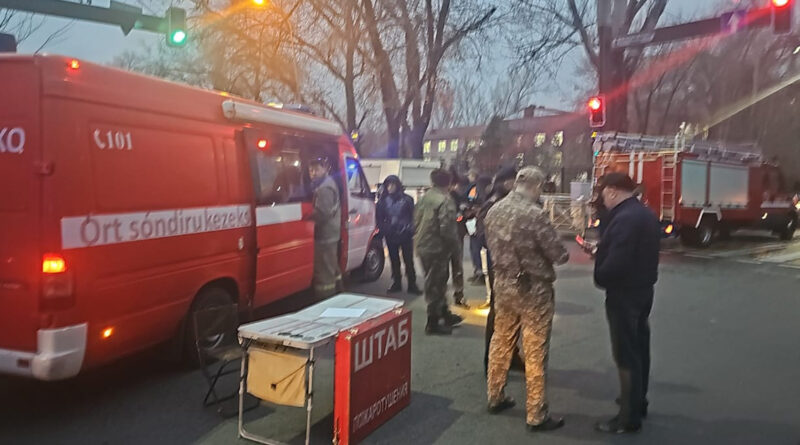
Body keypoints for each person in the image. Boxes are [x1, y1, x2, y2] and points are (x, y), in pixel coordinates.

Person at [484, 166, 569, 432]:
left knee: (501, 339)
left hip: (503, 284)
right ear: (536, 186)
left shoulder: (494, 210)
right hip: (533, 289)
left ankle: (495, 396)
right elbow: (559, 254)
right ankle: (536, 412)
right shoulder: (534, 214)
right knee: (535, 349)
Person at [593, 172, 660, 434]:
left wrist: (600, 272)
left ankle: (628, 418)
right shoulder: (644, 213)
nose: (602, 199)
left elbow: (617, 263)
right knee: (640, 346)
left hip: (624, 293)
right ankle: (638, 400)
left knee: (625, 353)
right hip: (643, 290)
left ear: (612, 190)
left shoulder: (624, 219)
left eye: (602, 194)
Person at [415, 169, 464, 335]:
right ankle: (433, 322)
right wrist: (455, 247)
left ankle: (444, 313)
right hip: (438, 248)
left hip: (423, 246)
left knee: (434, 280)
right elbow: (447, 229)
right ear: (449, 183)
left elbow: (415, 221)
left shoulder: (424, 198)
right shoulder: (445, 201)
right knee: (437, 284)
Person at [479, 167, 519, 372]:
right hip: (501, 264)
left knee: (514, 312)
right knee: (499, 311)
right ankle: (492, 359)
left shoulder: (513, 202)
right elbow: (482, 235)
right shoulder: (494, 203)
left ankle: (511, 355)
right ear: (506, 182)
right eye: (515, 181)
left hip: (515, 264)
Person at [376, 175, 422, 295]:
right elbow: (379, 219)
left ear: (397, 185)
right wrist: (385, 229)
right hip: (391, 234)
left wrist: (410, 228)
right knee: (394, 260)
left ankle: (412, 284)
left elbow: (413, 216)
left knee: (408, 260)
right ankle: (397, 282)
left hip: (405, 234)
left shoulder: (407, 200)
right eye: (388, 185)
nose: (390, 187)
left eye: (393, 184)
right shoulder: (382, 201)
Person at [308, 157, 342, 299]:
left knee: (324, 274)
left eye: (316, 169)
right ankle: (339, 293)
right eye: (311, 170)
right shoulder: (327, 183)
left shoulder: (324, 188)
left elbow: (322, 213)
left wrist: (306, 218)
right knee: (332, 266)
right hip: (330, 234)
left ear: (325, 168)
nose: (313, 173)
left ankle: (325, 300)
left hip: (325, 235)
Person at [449, 174, 470, 307]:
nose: (459, 188)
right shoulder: (446, 198)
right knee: (447, 268)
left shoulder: (461, 197)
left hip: (457, 235)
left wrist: (464, 214)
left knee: (457, 267)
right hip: (447, 237)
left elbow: (463, 216)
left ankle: (459, 294)